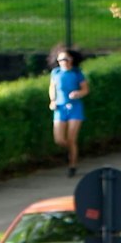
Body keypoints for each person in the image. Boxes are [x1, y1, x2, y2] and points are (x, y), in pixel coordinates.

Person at [48, 46, 89, 177]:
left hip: (74, 108)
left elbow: (85, 90)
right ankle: (71, 152)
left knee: (71, 139)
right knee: (59, 139)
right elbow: (52, 88)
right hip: (60, 108)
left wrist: (78, 93)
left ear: (71, 60)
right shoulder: (55, 73)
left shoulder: (77, 73)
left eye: (65, 59)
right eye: (60, 60)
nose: (62, 62)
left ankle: (72, 164)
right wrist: (52, 100)